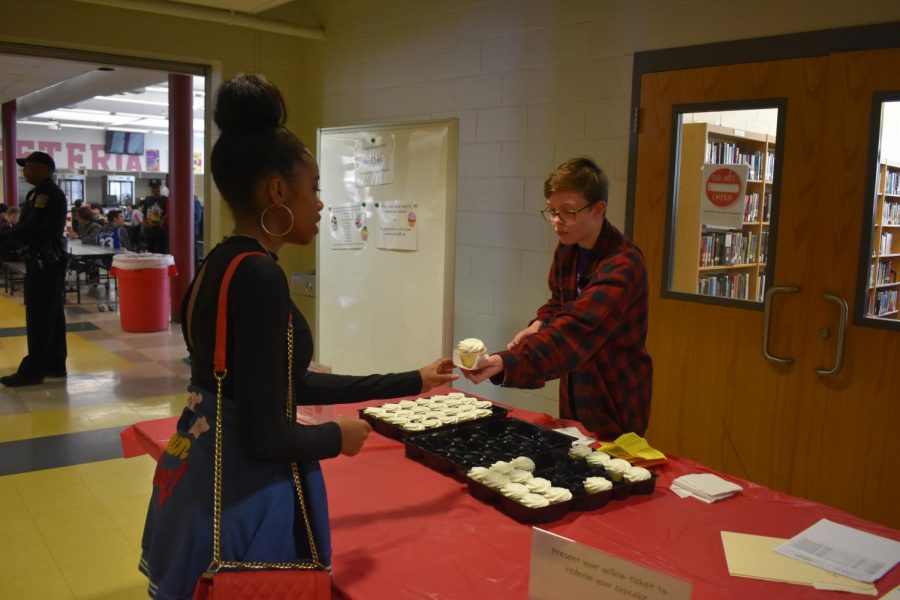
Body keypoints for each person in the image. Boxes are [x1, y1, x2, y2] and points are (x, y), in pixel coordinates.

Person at [139, 73, 458, 599]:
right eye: (314, 189)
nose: (321, 204)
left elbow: (283, 383)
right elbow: (266, 433)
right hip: (241, 500)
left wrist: (412, 379)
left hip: (194, 477)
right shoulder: (261, 276)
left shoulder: (219, 261)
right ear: (278, 191)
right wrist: (339, 438)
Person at [462, 157, 652, 441]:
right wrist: (540, 322)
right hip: (575, 382)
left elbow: (577, 328)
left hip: (614, 390)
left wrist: (509, 361)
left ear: (598, 209)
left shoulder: (623, 263)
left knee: (612, 468)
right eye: (551, 211)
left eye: (568, 212)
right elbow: (560, 303)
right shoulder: (569, 249)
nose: (557, 222)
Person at [0, 151, 68, 387]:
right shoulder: (40, 192)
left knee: (40, 315)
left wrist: (5, 237)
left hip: (45, 261)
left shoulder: (46, 193)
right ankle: (55, 363)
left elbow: (31, 227)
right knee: (52, 314)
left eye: (27, 166)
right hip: (46, 260)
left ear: (43, 167)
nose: (24, 170)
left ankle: (33, 370)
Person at [141, 178, 168, 253]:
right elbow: (144, 214)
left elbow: (167, 214)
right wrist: (145, 223)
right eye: (153, 187)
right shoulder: (147, 199)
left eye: (157, 187)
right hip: (149, 232)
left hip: (160, 231)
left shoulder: (165, 199)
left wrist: (159, 223)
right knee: (150, 251)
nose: (155, 189)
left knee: (161, 252)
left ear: (160, 188)